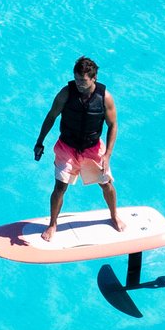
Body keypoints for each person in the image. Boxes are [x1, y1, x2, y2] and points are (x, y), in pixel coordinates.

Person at [31, 56, 118, 242]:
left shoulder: (105, 97)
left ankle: (113, 216)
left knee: (106, 184)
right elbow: (51, 116)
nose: (79, 84)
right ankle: (53, 224)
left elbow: (113, 125)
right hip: (67, 147)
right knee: (60, 187)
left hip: (93, 149)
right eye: (77, 79)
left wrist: (108, 155)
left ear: (94, 78)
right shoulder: (65, 93)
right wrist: (39, 142)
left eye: (83, 81)